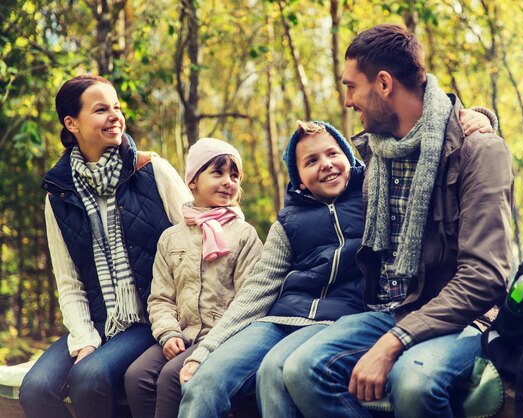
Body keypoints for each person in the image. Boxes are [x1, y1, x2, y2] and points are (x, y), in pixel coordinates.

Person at [283, 24, 514, 418]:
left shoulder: (479, 152)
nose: (347, 101)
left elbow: (485, 277)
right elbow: (319, 201)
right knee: (300, 369)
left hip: (462, 317)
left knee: (413, 384)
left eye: (352, 87)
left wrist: (394, 342)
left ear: (385, 84)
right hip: (389, 310)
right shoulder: (374, 153)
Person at [19, 75, 191, 418]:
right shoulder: (59, 195)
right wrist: (85, 339)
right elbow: (68, 282)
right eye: (101, 109)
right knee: (35, 389)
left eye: (116, 107)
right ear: (72, 123)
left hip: (150, 317)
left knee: (89, 376)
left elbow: (196, 238)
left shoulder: (150, 169)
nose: (115, 115)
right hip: (100, 319)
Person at [175, 121, 367, 418]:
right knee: (203, 382)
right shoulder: (288, 223)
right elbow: (257, 290)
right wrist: (206, 350)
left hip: (338, 318)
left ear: (350, 159)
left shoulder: (372, 199)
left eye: (333, 154)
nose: (326, 164)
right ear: (299, 179)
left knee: (273, 374)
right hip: (280, 319)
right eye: (312, 161)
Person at [124, 138, 263, 418]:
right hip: (182, 333)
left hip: (221, 337)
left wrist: (216, 340)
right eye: (218, 172)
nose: (228, 181)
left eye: (234, 175)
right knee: (136, 376)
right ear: (193, 181)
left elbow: (251, 300)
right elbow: (161, 297)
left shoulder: (244, 235)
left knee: (171, 377)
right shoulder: (171, 238)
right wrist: (168, 333)